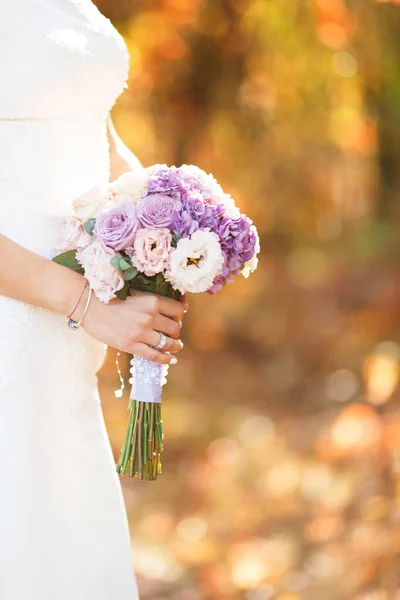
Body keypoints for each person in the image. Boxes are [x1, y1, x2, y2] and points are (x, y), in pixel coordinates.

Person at [0, 1, 185, 598]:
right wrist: (88, 304)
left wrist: (177, 225)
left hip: (71, 332)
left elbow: (98, 135)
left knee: (61, 521)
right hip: (24, 301)